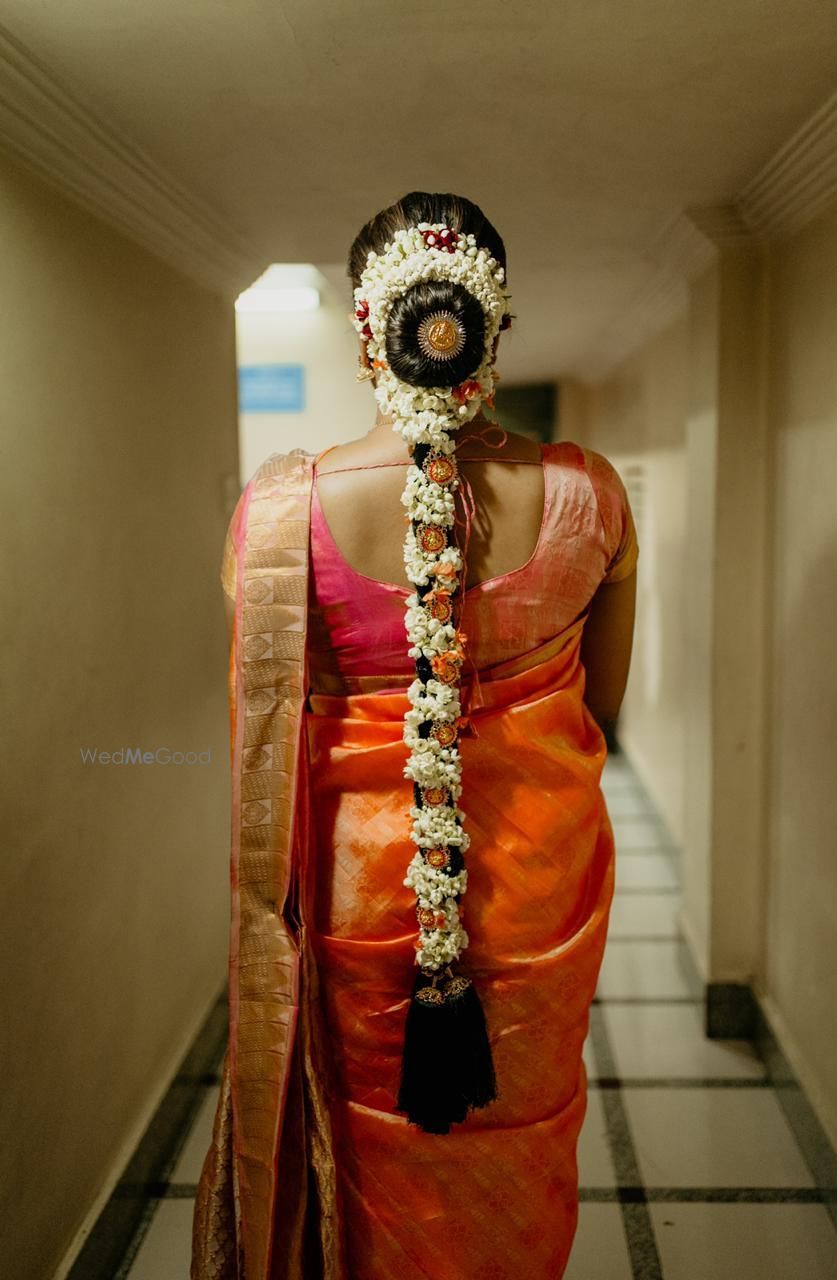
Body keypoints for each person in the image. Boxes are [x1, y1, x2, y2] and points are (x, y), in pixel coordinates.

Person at [192, 191, 638, 1280]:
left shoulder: (278, 515)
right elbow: (601, 711)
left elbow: (263, 735)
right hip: (535, 893)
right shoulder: (589, 495)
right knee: (518, 1151)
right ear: (497, 328)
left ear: (364, 329)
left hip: (359, 914)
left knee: (363, 1156)